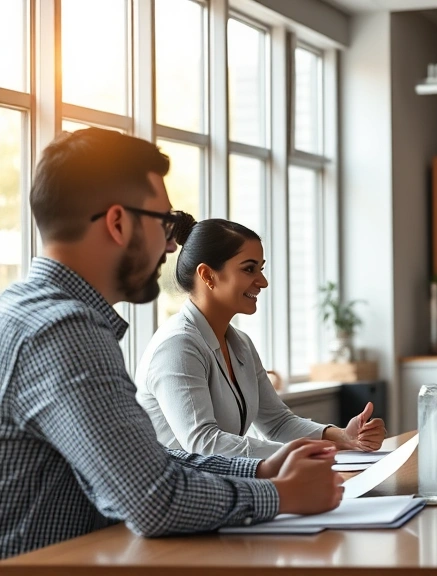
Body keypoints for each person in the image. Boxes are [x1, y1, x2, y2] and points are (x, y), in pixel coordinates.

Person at [0, 129, 342, 560]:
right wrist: (280, 495)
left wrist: (258, 468)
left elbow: (148, 464)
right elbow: (153, 500)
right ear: (118, 222)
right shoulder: (64, 331)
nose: (169, 244)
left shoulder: (29, 310)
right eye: (163, 223)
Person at [135, 218, 386, 459]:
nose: (263, 282)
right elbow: (203, 444)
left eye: (261, 269)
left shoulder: (240, 343)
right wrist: (305, 453)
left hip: (224, 487)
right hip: (181, 497)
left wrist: (342, 437)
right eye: (249, 269)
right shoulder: (177, 347)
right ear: (208, 276)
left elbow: (277, 422)